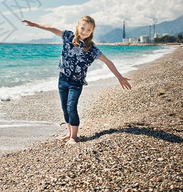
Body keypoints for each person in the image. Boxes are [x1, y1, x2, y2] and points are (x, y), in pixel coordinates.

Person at [22, 16, 131, 144]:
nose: (84, 32)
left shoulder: (91, 49)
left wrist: (119, 77)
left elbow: (107, 61)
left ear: (92, 32)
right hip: (62, 78)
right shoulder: (68, 36)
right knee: (64, 107)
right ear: (78, 27)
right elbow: (51, 28)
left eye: (88, 30)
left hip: (76, 82)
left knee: (71, 106)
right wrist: (35, 25)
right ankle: (69, 134)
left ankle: (74, 137)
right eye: (83, 28)